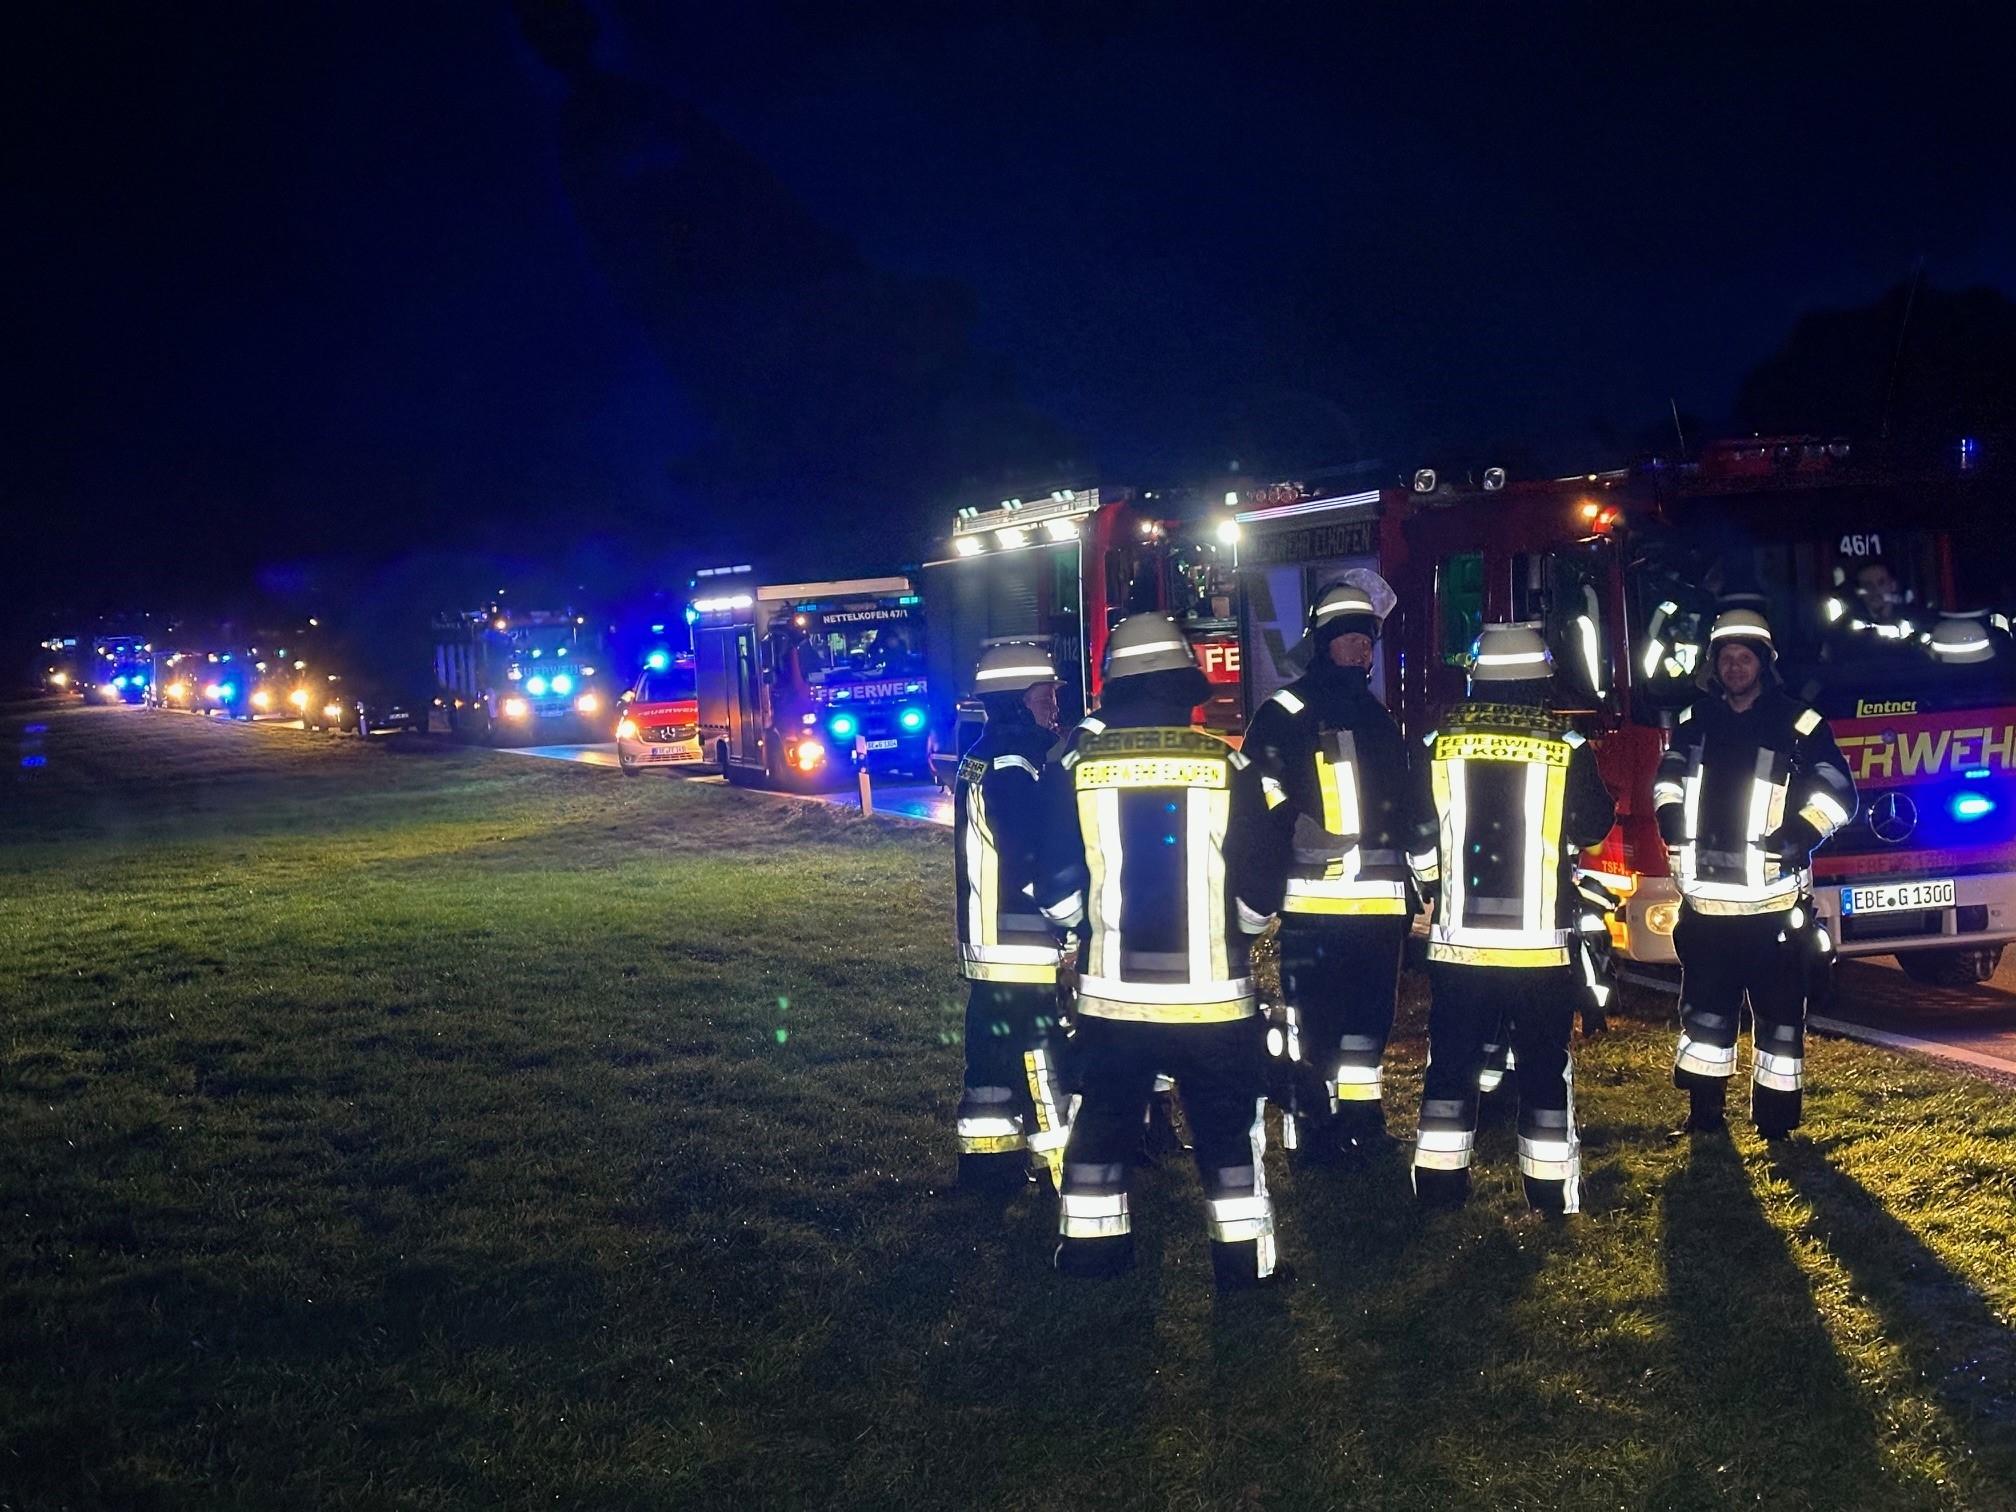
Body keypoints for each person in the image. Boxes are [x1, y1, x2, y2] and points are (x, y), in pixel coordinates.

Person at [1035, 614, 1290, 1289]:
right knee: (1228, 1135)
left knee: (1103, 1127)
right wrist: (1238, 928)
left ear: (1113, 686)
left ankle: (1092, 1256)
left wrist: (1081, 930)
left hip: (1114, 1004)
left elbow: (1053, 884)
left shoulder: (1074, 766)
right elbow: (1264, 880)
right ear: (1185, 685)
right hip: (1215, 1004)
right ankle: (1243, 1268)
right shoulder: (1228, 764)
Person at [1407, 624, 1617, 1213]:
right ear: (1541, 678)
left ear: (1477, 677)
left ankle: (1440, 1190)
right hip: (1539, 949)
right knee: (1545, 1070)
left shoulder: (1437, 742)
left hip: (1459, 948)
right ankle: (1550, 1192)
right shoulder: (1566, 744)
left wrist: (1434, 885)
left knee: (1450, 1066)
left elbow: (1418, 835)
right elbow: (1594, 826)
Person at [1655, 608, 1857, 1140]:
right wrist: (1668, 816)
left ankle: (1776, 1126)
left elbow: (1837, 793)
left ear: (1763, 663)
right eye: (1727, 658)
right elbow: (1668, 780)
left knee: (1780, 1022)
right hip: (1705, 912)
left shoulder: (1800, 723)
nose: (1735, 667)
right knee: (1705, 1021)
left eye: (1745, 658)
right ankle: (1704, 1119)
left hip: (1773, 911)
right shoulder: (1695, 723)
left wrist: (1799, 835)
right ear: (1713, 664)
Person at [1241, 581, 1411, 1162]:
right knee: (1314, 1027)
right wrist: (1292, 822)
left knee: (1369, 1025)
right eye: (1350, 641)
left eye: (1368, 642)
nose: (1362, 652)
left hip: (1381, 910)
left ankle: (1362, 1122)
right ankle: (1313, 1133)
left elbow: (1406, 802)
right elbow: (1256, 781)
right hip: (1314, 909)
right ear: (1324, 644)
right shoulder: (1285, 713)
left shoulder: (1378, 718)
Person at [952, 642, 1072, 1191]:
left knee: (991, 1062)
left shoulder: (983, 753)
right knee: (1043, 1056)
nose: (1054, 704)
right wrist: (1068, 920)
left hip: (989, 941)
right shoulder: (1017, 764)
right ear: (1017, 701)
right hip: (1023, 938)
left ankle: (987, 1166)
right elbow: (1029, 857)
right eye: (1046, 694)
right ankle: (1061, 1168)